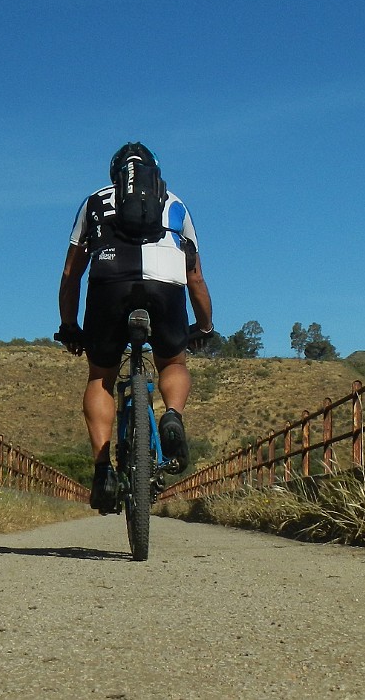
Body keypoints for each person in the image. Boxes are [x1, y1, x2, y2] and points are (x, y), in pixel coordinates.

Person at [56, 142, 214, 512]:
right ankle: (171, 416)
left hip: (109, 285)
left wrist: (69, 324)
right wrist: (204, 326)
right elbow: (195, 278)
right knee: (173, 364)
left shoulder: (94, 201)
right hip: (165, 287)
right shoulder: (176, 203)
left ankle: (101, 470)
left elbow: (71, 273)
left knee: (101, 376)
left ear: (115, 173)